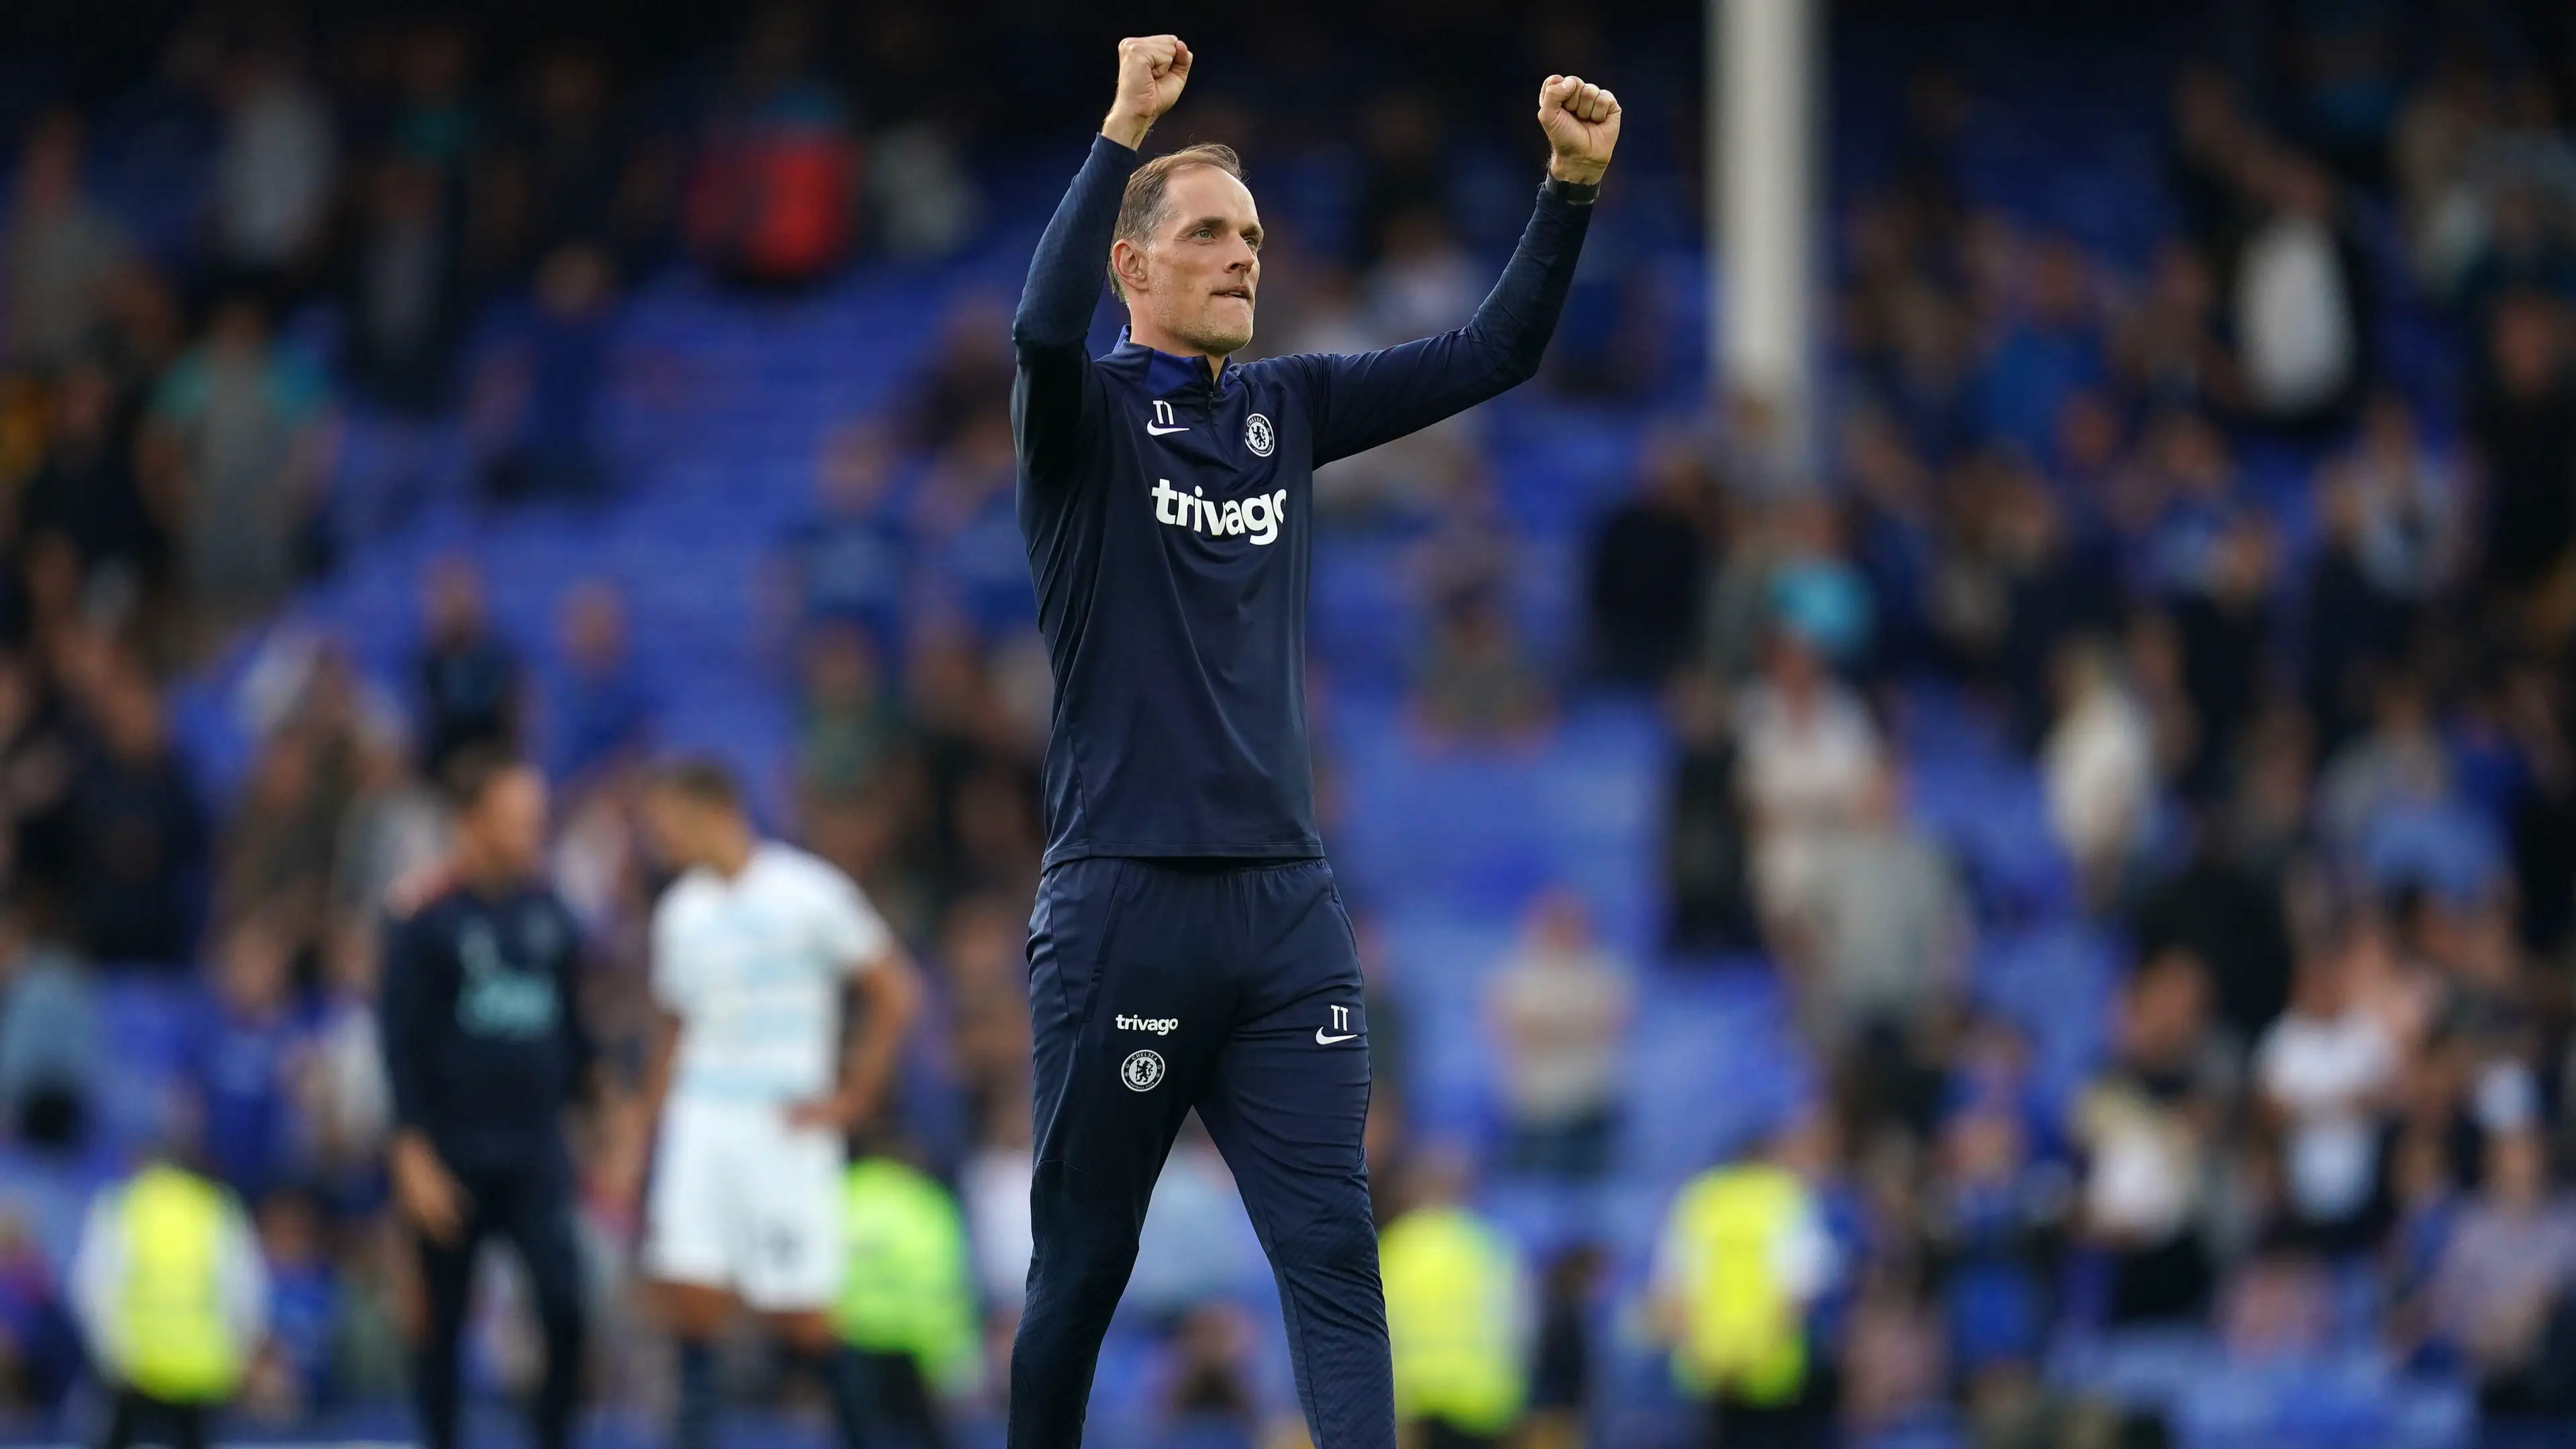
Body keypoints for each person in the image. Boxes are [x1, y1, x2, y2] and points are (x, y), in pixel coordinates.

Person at [1007, 36, 1617, 1449]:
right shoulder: (1086, 422)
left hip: (1284, 911)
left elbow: (1494, 353)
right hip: (1126, 904)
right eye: (1210, 235)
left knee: (1338, 1259)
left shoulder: (1285, 413)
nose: (1242, 258)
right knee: (1086, 1266)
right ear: (1134, 268)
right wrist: (1120, 131)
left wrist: (1569, 189)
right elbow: (1036, 335)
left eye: (1256, 238)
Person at [631, 757, 926, 1449]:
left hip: (784, 1124)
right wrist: (639, 1134)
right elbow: (674, 1029)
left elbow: (895, 991)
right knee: (689, 1300)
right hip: (701, 1120)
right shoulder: (680, 912)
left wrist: (855, 1095)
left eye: (669, 823)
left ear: (714, 813)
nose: (660, 839)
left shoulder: (807, 893)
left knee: (803, 1317)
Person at [377, 750, 594, 1449]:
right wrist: (410, 1151)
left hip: (534, 1151)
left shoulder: (550, 913)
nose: (534, 830)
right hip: (451, 1154)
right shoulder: (423, 918)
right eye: (517, 817)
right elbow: (398, 1042)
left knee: (566, 1305)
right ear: (471, 823)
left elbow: (573, 1029)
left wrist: (606, 1115)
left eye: (537, 817)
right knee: (441, 1324)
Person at [1652, 1124, 1841, 1449]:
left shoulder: (1701, 1198)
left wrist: (1704, 1351)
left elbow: (1673, 1288)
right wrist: (1758, 1349)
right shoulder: (1785, 1196)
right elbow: (1803, 1287)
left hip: (1709, 1365)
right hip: (1770, 1364)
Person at [68, 1144, 270, 1449]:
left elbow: (92, 1288)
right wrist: (239, 1354)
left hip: (135, 1371)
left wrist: (111, 1355)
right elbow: (246, 1289)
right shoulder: (214, 1207)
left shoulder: (123, 1206)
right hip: (202, 1373)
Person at [835, 1140, 981, 1449]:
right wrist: (951, 1362)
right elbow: (946, 1286)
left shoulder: (838, 1193)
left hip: (847, 1337)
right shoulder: (927, 1201)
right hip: (915, 1346)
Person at [1379, 1152, 1529, 1449]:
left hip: (1420, 1401)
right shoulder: (1495, 1245)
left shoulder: (1394, 1247)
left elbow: (1381, 1329)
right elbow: (1520, 1324)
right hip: (1489, 1401)